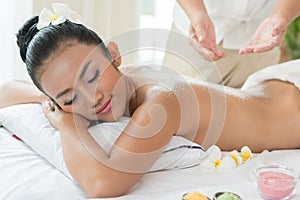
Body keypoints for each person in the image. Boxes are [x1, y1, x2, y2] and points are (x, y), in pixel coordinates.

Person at [1, 3, 300, 198]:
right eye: (70, 97)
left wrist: (64, 120)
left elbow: (103, 183)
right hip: (271, 88)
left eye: (92, 76)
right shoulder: (121, 79)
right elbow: (6, 90)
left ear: (115, 54)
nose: (92, 99)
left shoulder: (161, 103)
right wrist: (54, 100)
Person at [163, 0, 300, 88]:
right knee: (177, 112)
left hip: (263, 38)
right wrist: (196, 13)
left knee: (251, 123)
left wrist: (282, 15)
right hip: (197, 38)